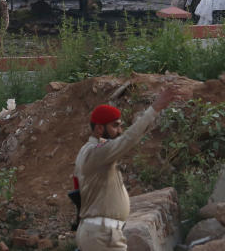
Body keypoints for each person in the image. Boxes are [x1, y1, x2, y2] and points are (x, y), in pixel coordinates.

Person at [74, 86, 179, 251]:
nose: (119, 131)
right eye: (115, 126)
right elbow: (128, 138)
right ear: (99, 128)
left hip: (102, 234)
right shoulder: (97, 152)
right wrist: (155, 108)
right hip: (102, 236)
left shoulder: (94, 152)